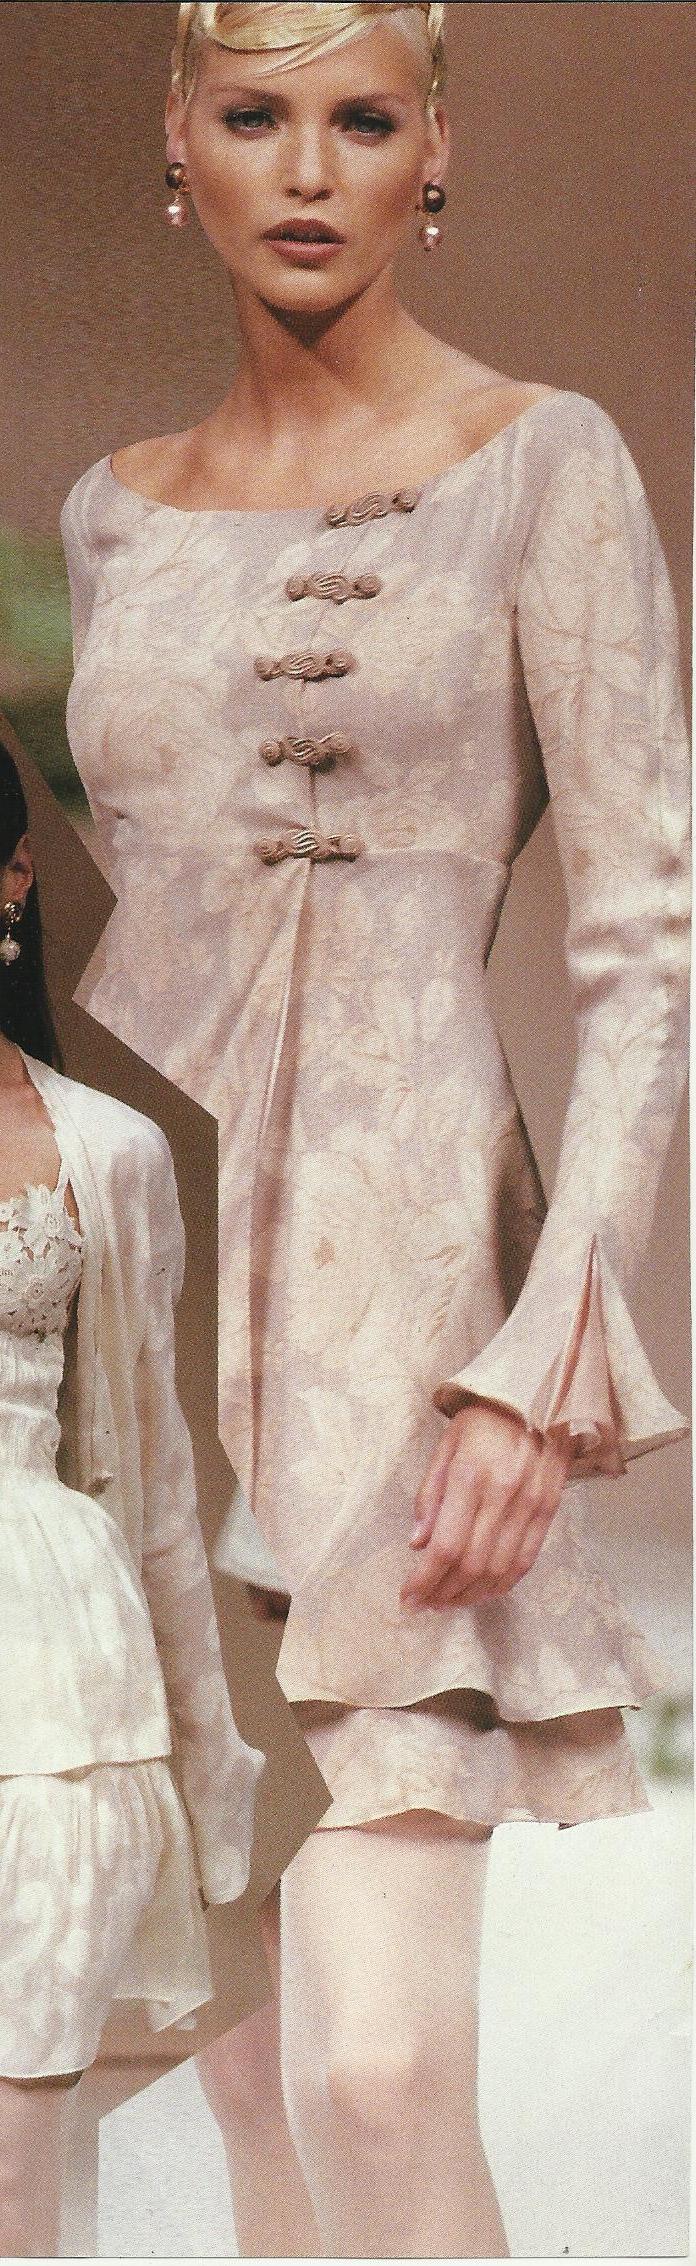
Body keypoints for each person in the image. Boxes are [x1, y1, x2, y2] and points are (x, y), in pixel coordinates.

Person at [57, 3, 690, 2253]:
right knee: (235, 2072)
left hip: (407, 1297)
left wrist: (547, 1348)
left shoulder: (545, 461)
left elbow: (642, 940)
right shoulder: (112, 511)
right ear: (183, 146)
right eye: (256, 116)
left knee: (382, 2066)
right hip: (139, 1307)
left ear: (437, 148)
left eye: (359, 116)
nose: (307, 167)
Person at [0, 741, 264, 2258]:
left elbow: (158, 1482)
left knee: (20, 2171)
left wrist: (214, 1769)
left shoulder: (111, 1153)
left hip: (50, 1671)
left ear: (14, 877)